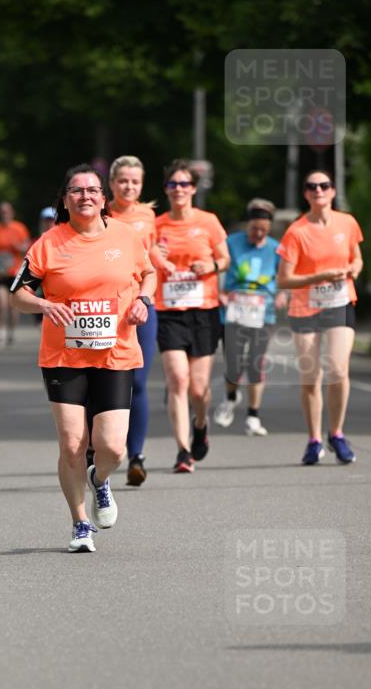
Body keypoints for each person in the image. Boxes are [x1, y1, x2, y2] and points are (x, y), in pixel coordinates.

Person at [10, 164, 156, 552]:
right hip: (63, 355)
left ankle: (101, 478)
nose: (86, 196)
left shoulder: (125, 237)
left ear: (104, 199)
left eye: (93, 190)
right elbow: (17, 294)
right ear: (65, 199)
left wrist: (143, 299)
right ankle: (80, 523)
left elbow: (149, 273)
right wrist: (43, 304)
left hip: (116, 352)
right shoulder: (48, 243)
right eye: (77, 191)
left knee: (112, 447)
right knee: (73, 441)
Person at [278, 170, 363, 465]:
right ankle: (314, 439)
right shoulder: (297, 231)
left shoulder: (347, 222)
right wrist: (321, 276)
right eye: (312, 186)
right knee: (311, 377)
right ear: (306, 193)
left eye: (324, 185)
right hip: (305, 308)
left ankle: (336, 433)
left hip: (340, 302)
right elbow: (284, 280)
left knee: (338, 369)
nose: (318, 190)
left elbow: (357, 257)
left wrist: (354, 269)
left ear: (333, 191)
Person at [151, 159, 230, 472]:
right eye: (173, 184)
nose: (179, 189)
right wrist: (159, 260)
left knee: (199, 389)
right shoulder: (156, 226)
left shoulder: (208, 221)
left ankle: (201, 424)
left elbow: (225, 259)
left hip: (204, 311)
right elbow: (144, 258)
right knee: (177, 380)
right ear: (166, 189)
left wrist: (210, 266)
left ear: (194, 188)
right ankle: (183, 451)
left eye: (185, 184)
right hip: (169, 312)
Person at [214, 198, 287, 435]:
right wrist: (220, 293)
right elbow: (219, 269)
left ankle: (253, 416)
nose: (257, 234)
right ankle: (231, 394)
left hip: (262, 313)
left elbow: (285, 277)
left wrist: (282, 295)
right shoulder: (231, 243)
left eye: (263, 230)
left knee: (256, 364)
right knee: (234, 364)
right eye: (254, 228)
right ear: (248, 225)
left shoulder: (276, 249)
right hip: (234, 311)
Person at [108, 155, 158, 485]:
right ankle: (105, 449)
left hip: (141, 306)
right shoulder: (100, 213)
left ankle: (136, 455)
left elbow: (151, 260)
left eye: (135, 181)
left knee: (138, 381)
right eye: (123, 180)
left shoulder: (149, 215)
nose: (129, 186)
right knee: (109, 382)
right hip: (105, 308)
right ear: (111, 183)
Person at [0, 201, 30, 347]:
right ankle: (0, 333)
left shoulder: (19, 228)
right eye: (1, 211)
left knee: (13, 305)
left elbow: (27, 247)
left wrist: (18, 247)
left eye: (6, 211)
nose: (4, 214)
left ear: (12, 212)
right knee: (1, 303)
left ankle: (11, 333)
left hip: (15, 272)